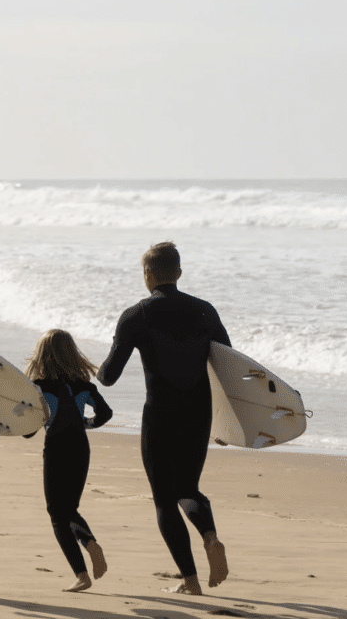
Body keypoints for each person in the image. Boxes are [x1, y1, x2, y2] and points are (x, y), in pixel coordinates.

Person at [97, 242, 231, 595]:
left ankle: (190, 580)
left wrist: (96, 369)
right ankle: (210, 536)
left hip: (161, 414)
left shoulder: (137, 315)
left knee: (163, 499)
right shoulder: (205, 311)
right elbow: (228, 363)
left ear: (148, 275)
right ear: (179, 273)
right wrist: (230, 421)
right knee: (188, 488)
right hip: (199, 411)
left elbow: (109, 375)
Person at [24, 329, 113, 592]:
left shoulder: (38, 388)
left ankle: (82, 573)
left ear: (41, 357)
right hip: (80, 449)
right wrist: (85, 423)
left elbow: (29, 431)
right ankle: (90, 545)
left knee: (57, 513)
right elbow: (105, 414)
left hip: (56, 449)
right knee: (70, 508)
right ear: (72, 355)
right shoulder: (84, 385)